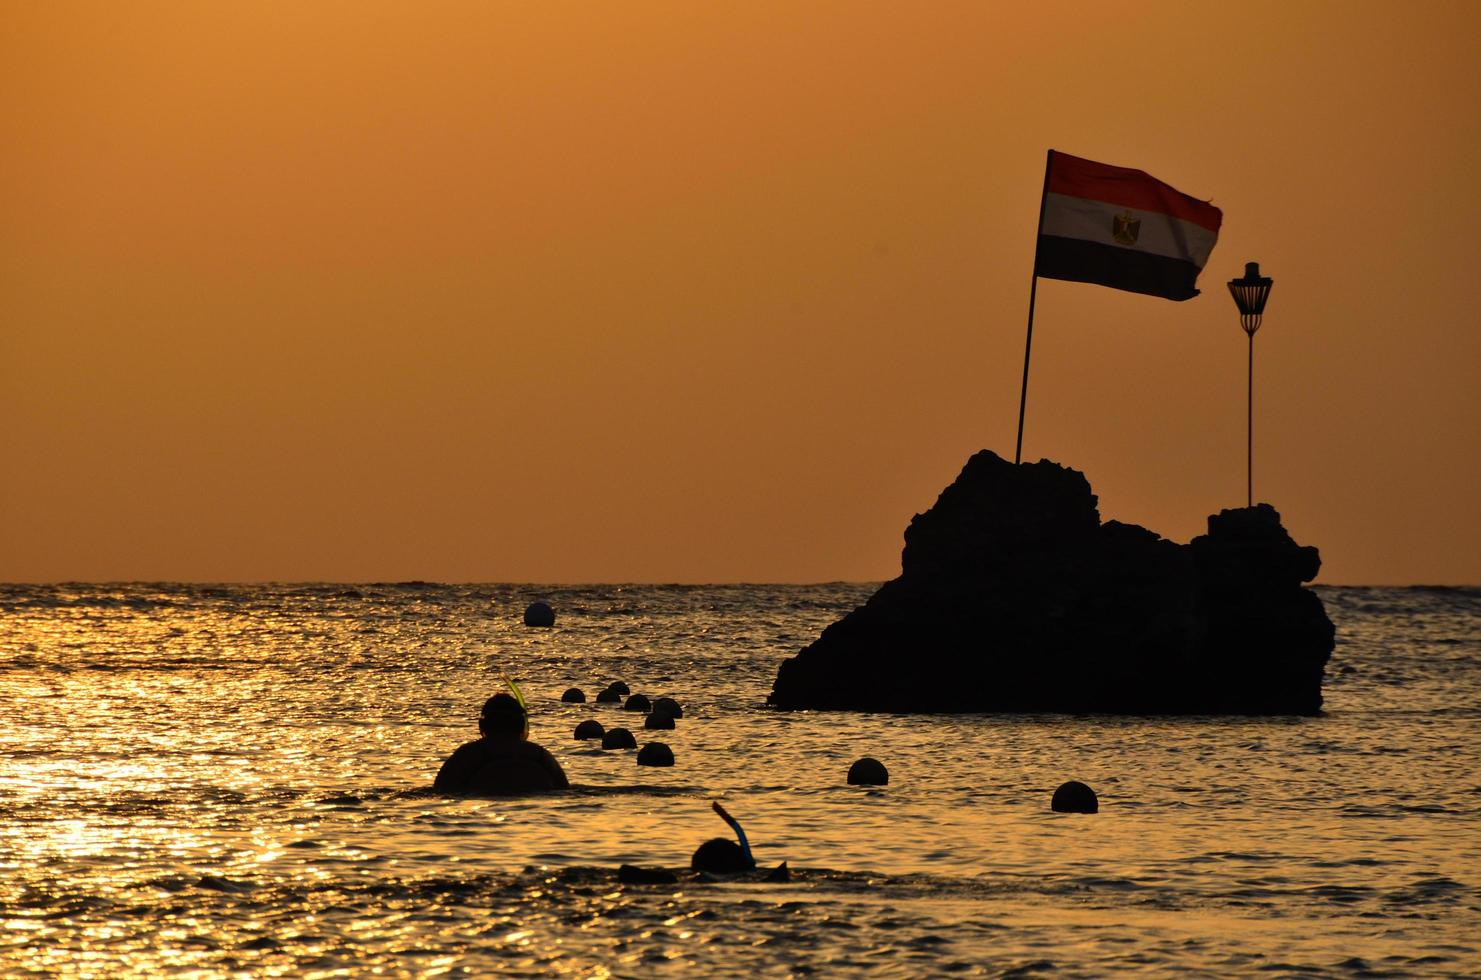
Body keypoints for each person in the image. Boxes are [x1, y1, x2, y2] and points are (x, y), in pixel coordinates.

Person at [434, 693, 569, 795]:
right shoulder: (540, 755)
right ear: (522, 725)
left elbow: (441, 791)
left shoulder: (468, 755)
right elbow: (564, 791)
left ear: (482, 725)